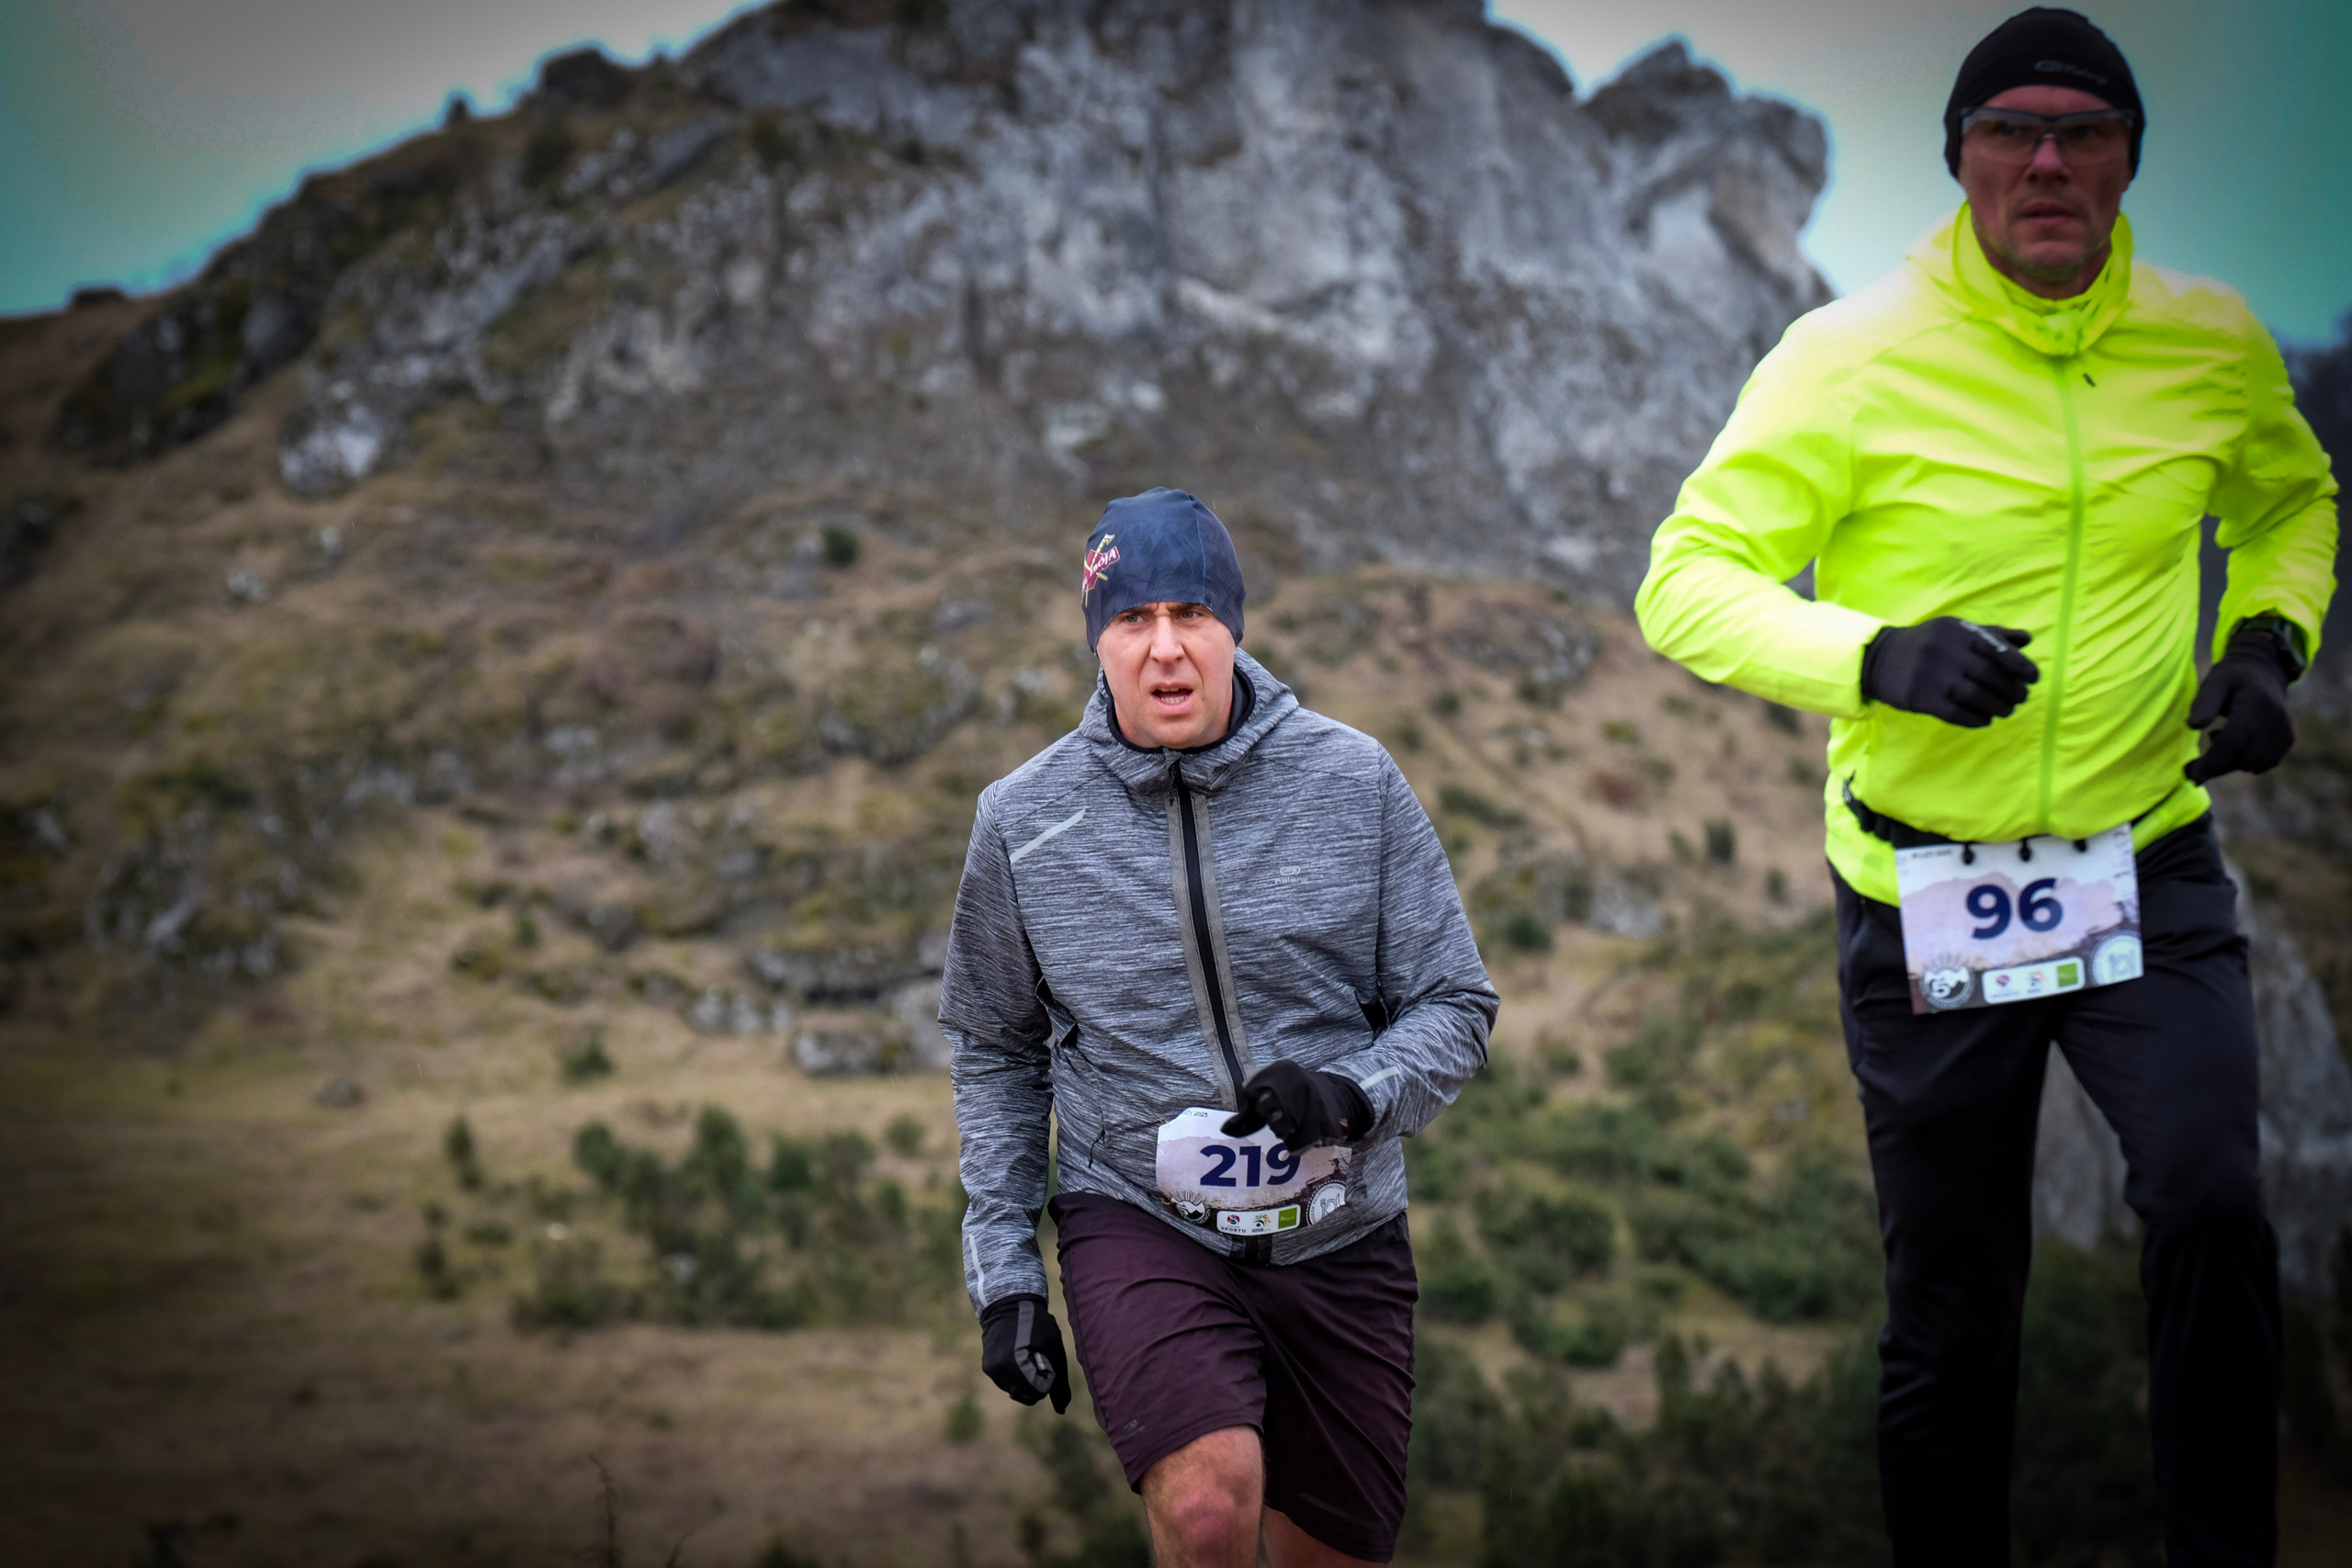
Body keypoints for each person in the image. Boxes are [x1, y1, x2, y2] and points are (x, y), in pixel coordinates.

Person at [1635, 8, 2335, 1562]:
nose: (2045, 160)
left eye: (2083, 130)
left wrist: (2269, 645)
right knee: (1954, 1312)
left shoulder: (2208, 338)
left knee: (2214, 1203)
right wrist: (1872, 656)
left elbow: (2293, 496)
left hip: (2145, 858)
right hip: (1926, 884)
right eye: (2010, 128)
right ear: (1958, 155)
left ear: (2128, 159)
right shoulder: (1850, 356)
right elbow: (1683, 584)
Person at [943, 487, 1497, 1566]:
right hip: (1138, 1216)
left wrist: (1354, 1096)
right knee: (1205, 1511)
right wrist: (1005, 1274)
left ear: (1234, 628)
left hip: (1341, 1227)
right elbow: (996, 1047)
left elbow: (1455, 1004)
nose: (1164, 650)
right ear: (1095, 642)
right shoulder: (1022, 821)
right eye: (1131, 621)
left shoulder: (1352, 781)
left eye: (1190, 616)